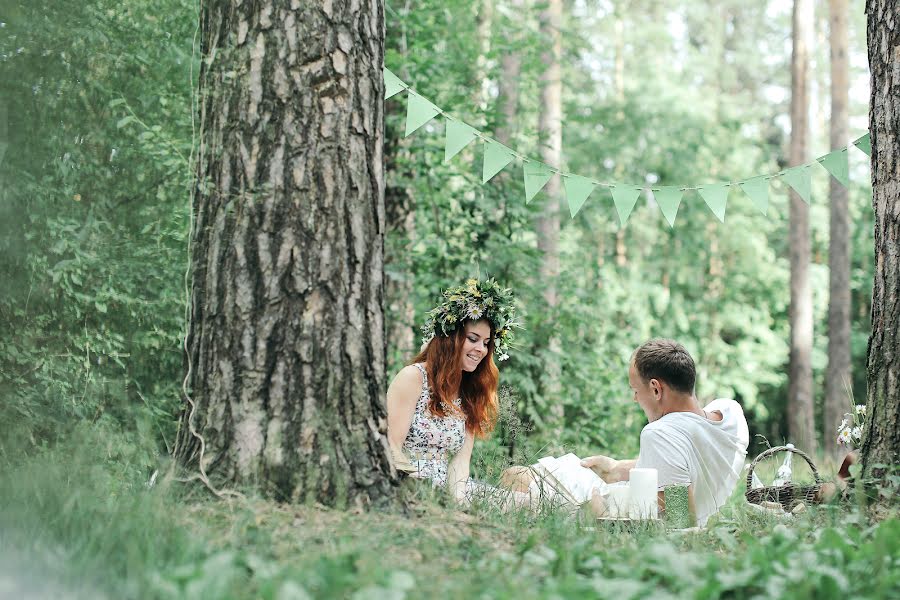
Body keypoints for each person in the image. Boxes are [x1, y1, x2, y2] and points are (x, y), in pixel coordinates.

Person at [386, 278, 528, 508]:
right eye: (473, 339)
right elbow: (391, 445)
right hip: (414, 486)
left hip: (454, 489)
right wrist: (418, 489)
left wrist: (458, 501)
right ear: (451, 338)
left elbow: (460, 464)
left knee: (528, 501)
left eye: (486, 343)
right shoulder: (413, 377)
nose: (480, 349)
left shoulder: (469, 391)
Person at [582, 339, 749, 526]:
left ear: (655, 389)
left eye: (636, 390)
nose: (635, 399)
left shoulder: (660, 434)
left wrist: (601, 513)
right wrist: (617, 469)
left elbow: (682, 524)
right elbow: (683, 462)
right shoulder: (731, 413)